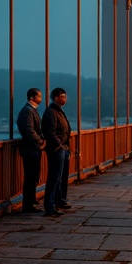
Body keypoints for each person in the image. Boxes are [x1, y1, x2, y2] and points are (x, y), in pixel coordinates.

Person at [41, 87, 73, 216]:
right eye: (62, 97)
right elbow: (48, 131)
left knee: (61, 177)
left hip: (63, 148)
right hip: (57, 149)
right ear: (55, 98)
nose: (64, 99)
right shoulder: (51, 112)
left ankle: (59, 200)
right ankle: (49, 206)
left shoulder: (58, 111)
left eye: (65, 96)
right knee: (54, 177)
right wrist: (59, 145)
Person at [16, 87, 45, 212]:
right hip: (31, 149)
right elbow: (28, 130)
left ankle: (31, 201)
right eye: (39, 96)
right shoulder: (28, 111)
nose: (41, 98)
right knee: (30, 177)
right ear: (32, 97)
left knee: (33, 176)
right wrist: (40, 143)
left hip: (32, 148)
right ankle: (28, 205)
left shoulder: (30, 110)